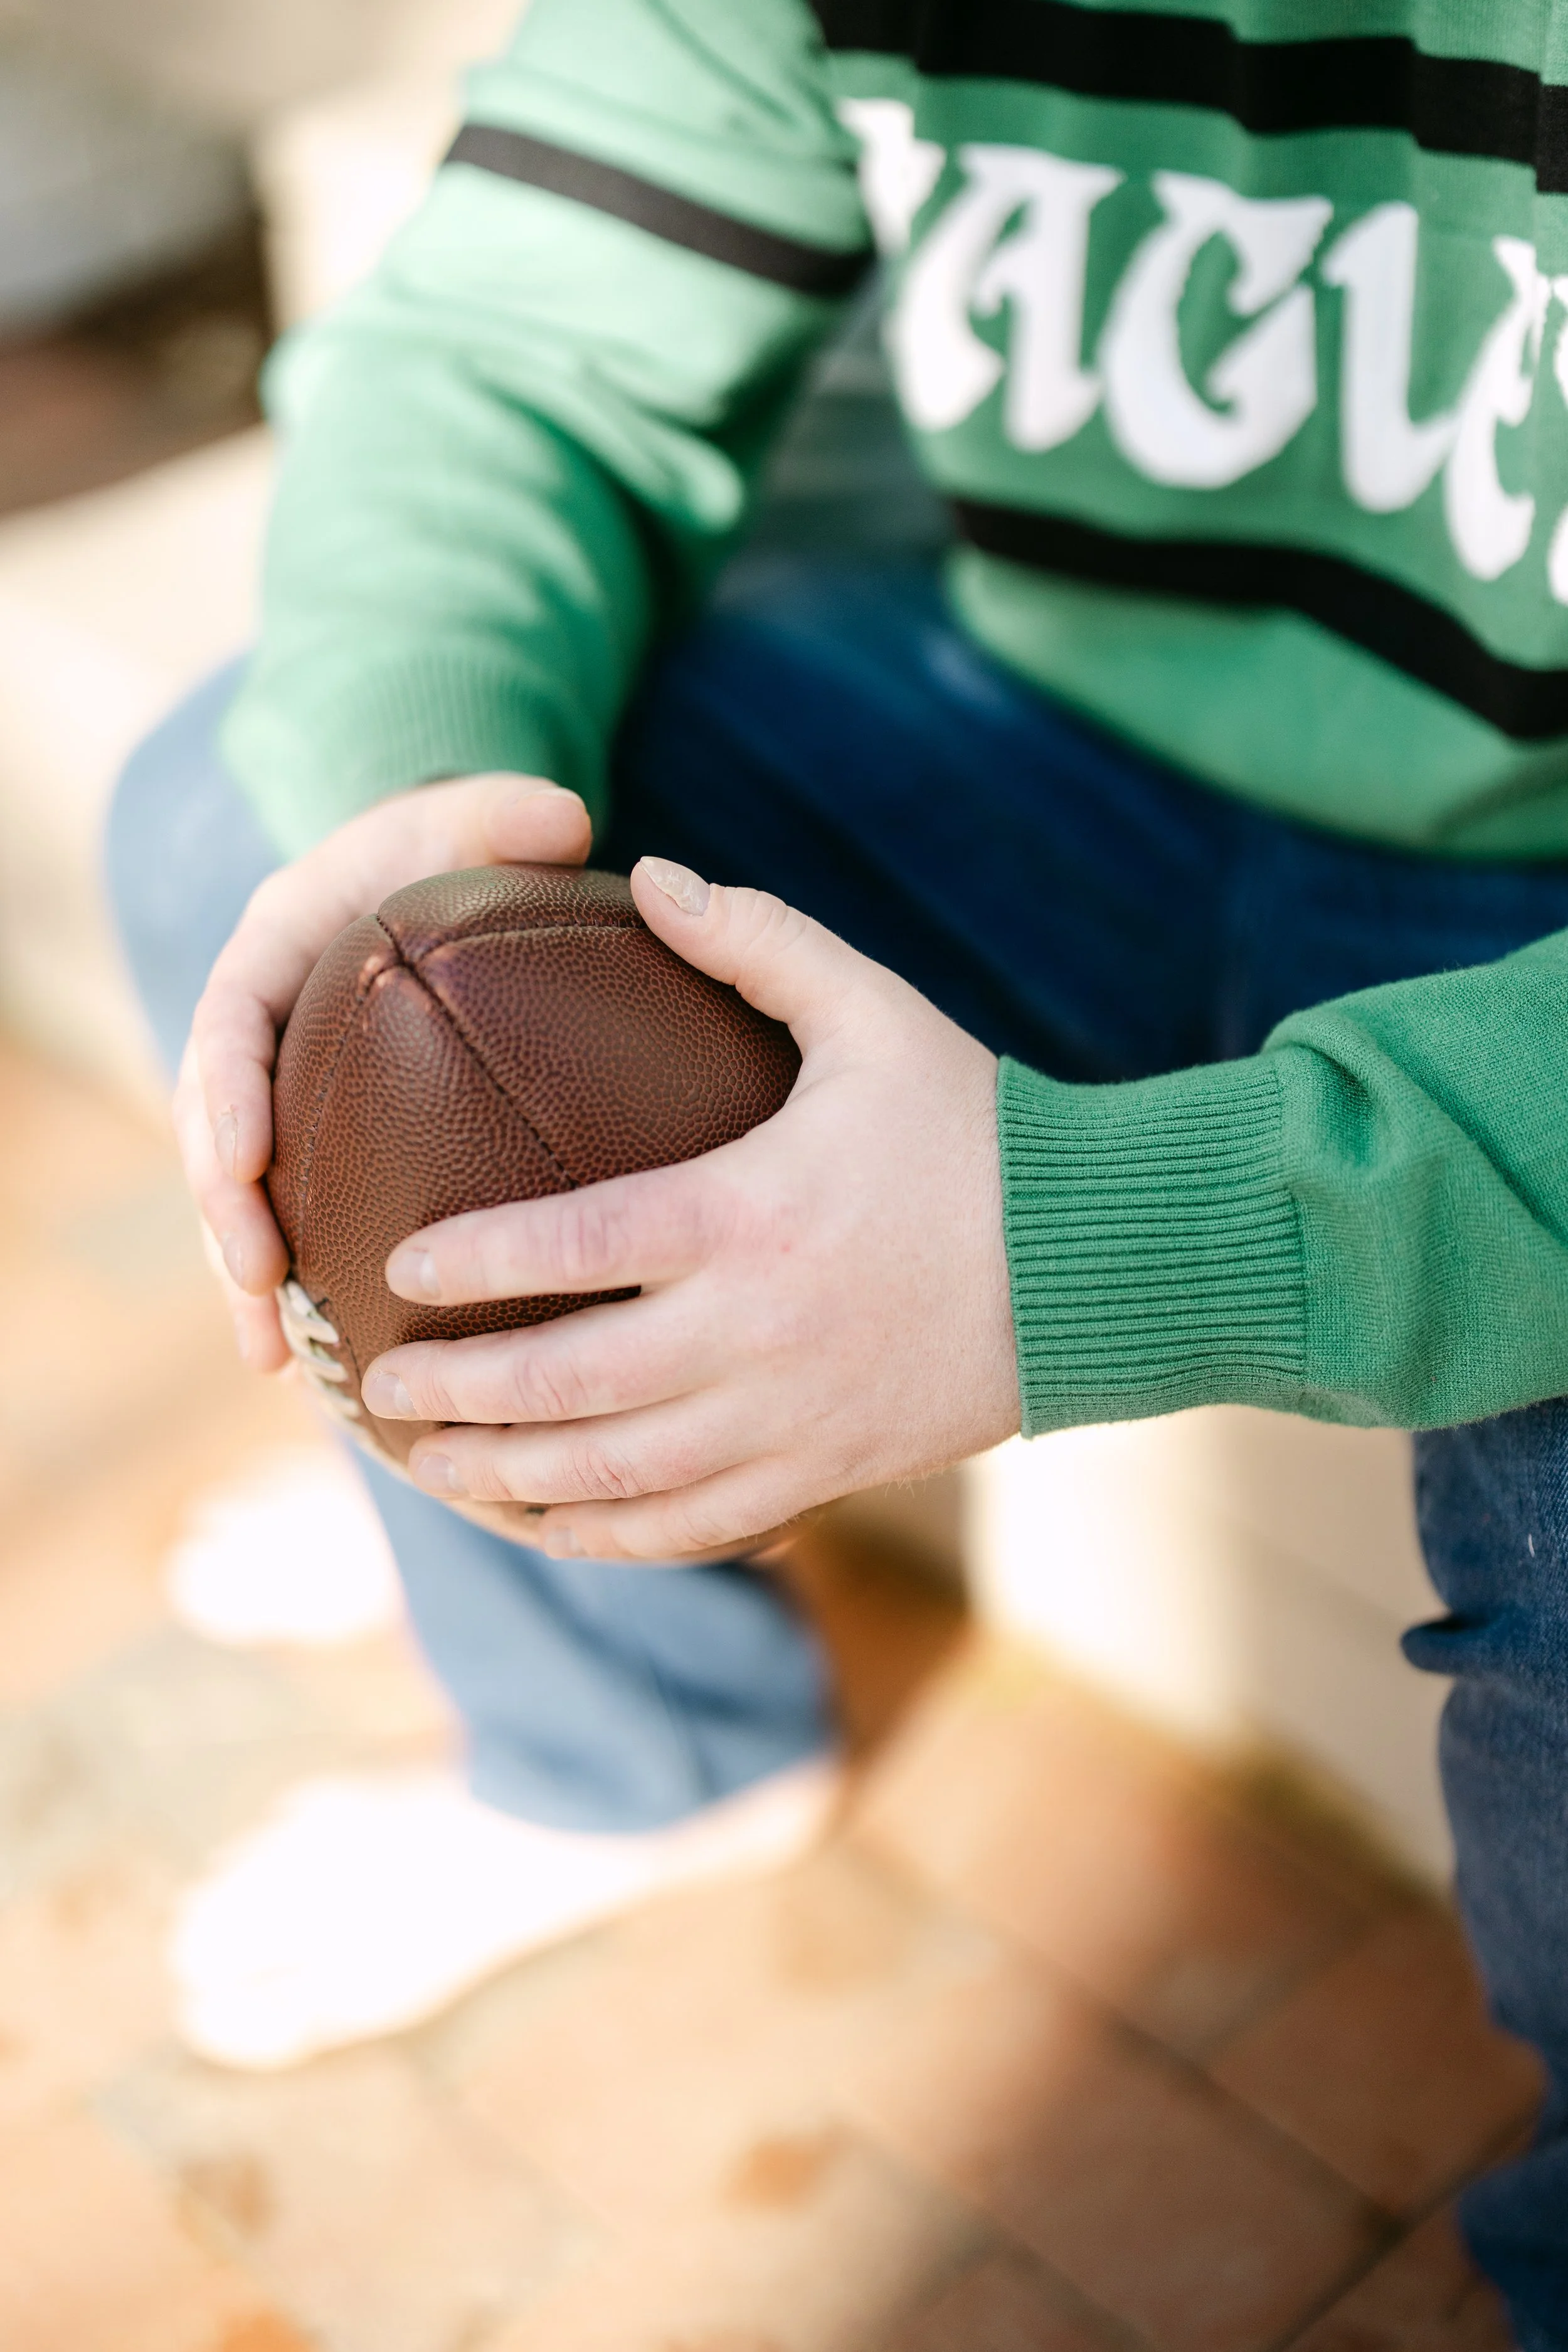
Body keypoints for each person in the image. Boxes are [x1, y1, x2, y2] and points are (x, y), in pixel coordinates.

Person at [107, 4, 1568, 2340]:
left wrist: (1097, 1253)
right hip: (1082, 720)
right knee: (251, 846)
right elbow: (512, 340)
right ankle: (637, 1730)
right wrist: (415, 837)